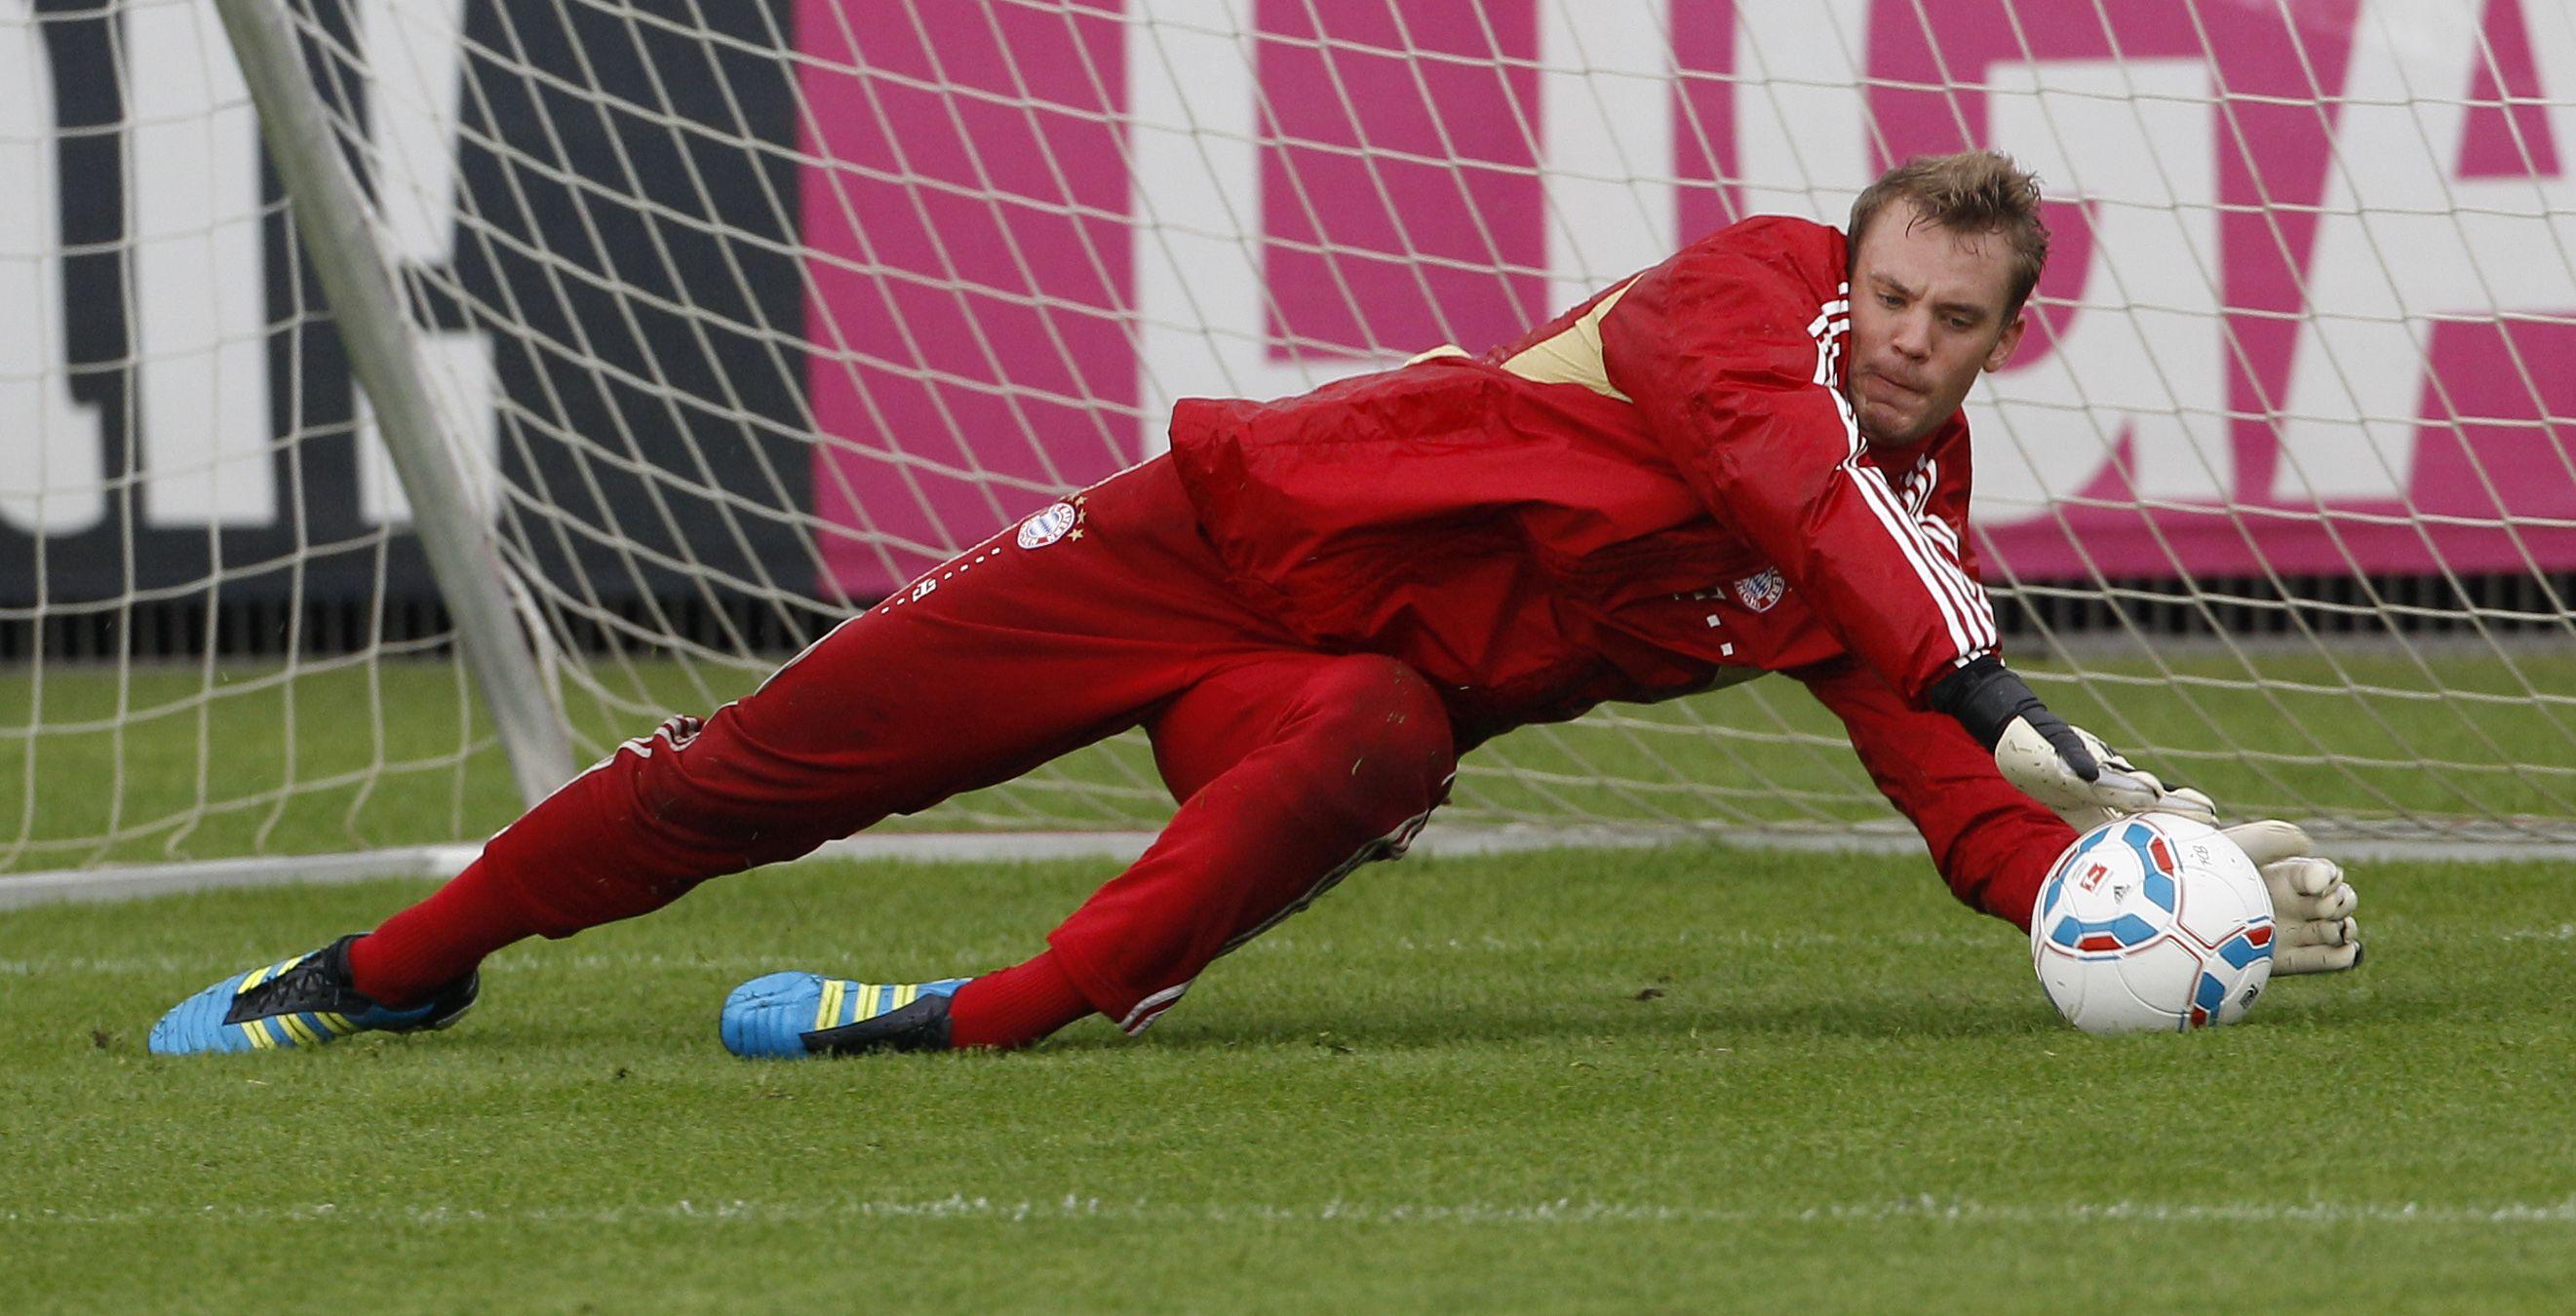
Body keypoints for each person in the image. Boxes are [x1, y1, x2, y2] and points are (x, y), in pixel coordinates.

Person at [147, 150, 2361, 1059]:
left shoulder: (1902, 540)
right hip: (1185, 550)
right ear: (1843, 269)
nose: (1902, 339)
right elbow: (1795, 480)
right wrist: (1978, 676)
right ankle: (392, 972)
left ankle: (974, 1022)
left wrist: (2128, 886)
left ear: (2003, 341)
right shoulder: (1737, 309)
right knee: (747, 775)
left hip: (1339, 686)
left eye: (1953, 321)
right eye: (1887, 295)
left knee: (1376, 743)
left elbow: (1940, 780)